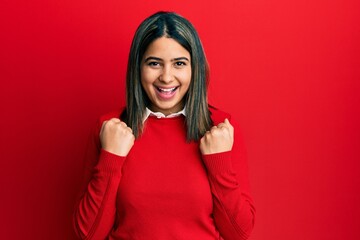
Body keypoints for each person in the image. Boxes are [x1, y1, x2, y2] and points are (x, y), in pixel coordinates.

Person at [73, 11, 255, 240]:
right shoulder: (110, 129)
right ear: (138, 68)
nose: (167, 77)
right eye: (154, 63)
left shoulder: (221, 129)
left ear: (194, 68)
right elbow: (88, 233)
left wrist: (218, 164)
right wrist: (111, 158)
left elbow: (239, 232)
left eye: (179, 63)